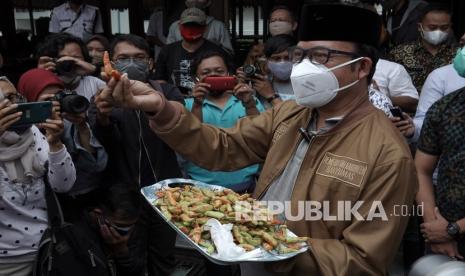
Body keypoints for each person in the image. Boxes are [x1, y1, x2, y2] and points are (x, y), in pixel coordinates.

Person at [101, 2, 417, 275]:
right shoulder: (290, 114)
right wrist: (161, 109)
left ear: (361, 68)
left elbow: (363, 261)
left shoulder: (387, 155)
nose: (305, 67)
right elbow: (223, 147)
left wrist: (274, 245)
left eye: (321, 56)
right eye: (301, 55)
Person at [91, 34, 183, 276]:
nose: (131, 63)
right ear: (109, 62)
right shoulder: (103, 96)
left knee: (164, 256)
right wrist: (102, 117)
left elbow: (182, 131)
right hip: (124, 198)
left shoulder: (167, 92)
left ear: (150, 63)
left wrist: (156, 105)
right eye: (123, 58)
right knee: (129, 257)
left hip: (167, 194)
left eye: (139, 58)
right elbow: (103, 146)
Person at [0, 76, 76, 276]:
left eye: (12, 97)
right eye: (2, 100)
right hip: (6, 260)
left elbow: (63, 185)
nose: (10, 105)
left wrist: (56, 144)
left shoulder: (32, 132)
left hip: (49, 248)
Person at [18, 68, 108, 222]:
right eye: (48, 99)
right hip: (49, 209)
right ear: (30, 101)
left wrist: (82, 126)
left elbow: (96, 166)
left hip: (88, 197)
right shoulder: (22, 133)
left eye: (59, 96)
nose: (56, 103)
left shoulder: (68, 122)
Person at [185, 50, 264, 192]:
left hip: (246, 185)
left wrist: (249, 104)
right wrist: (197, 104)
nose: (213, 75)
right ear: (196, 78)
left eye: (219, 71)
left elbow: (261, 135)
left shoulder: (249, 100)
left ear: (229, 74)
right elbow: (190, 139)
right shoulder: (188, 105)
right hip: (200, 187)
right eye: (205, 73)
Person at [415, 79, 465, 259]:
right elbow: (421, 170)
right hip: (444, 241)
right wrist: (433, 226)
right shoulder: (444, 108)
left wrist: (454, 228)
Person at [155, 7, 233, 95]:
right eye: (187, 25)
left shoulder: (217, 52)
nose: (191, 29)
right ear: (179, 27)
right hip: (176, 102)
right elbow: (159, 80)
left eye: (196, 25)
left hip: (208, 100)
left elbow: (228, 80)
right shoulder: (167, 51)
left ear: (205, 28)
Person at [74, 183, 144, 275]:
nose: (128, 233)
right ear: (99, 215)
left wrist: (122, 252)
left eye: (130, 226)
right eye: (120, 226)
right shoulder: (78, 236)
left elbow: (136, 271)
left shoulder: (131, 230)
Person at [389, 4, 458, 93]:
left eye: (444, 28)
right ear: (419, 27)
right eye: (432, 27)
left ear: (450, 27)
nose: (438, 31)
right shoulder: (399, 53)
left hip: (448, 105)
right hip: (409, 105)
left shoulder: (458, 55)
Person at [36, 33, 105, 101]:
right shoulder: (40, 85)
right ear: (49, 60)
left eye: (76, 58)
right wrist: (41, 76)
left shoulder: (95, 84)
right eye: (61, 57)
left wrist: (94, 70)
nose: (68, 62)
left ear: (85, 59)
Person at [166, 0, 233, 53]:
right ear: (186, 2)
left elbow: (228, 53)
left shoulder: (219, 26)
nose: (195, 1)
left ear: (208, 2)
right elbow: (168, 51)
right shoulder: (175, 26)